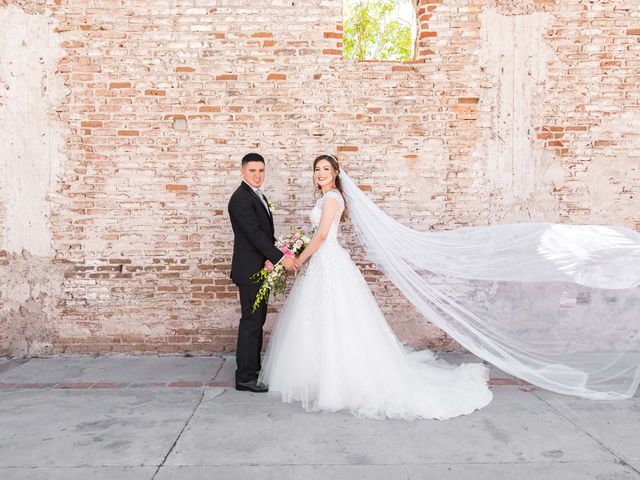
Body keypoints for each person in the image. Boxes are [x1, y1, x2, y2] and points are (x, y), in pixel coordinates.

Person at [258, 154, 493, 420]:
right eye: (316, 169)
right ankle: (321, 377)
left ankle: (339, 382)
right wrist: (298, 246)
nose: (320, 173)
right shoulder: (325, 199)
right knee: (323, 320)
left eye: (326, 169)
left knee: (338, 318)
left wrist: (298, 258)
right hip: (323, 264)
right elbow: (317, 234)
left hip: (329, 262)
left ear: (336, 173)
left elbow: (323, 235)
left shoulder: (333, 198)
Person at [228, 153, 299, 393]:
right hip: (249, 271)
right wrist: (282, 259)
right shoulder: (240, 199)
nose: (257, 175)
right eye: (252, 171)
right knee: (251, 322)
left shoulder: (257, 195)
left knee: (257, 320)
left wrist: (280, 251)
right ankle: (245, 377)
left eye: (261, 171)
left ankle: (253, 369)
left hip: (260, 269)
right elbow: (255, 235)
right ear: (242, 172)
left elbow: (265, 234)